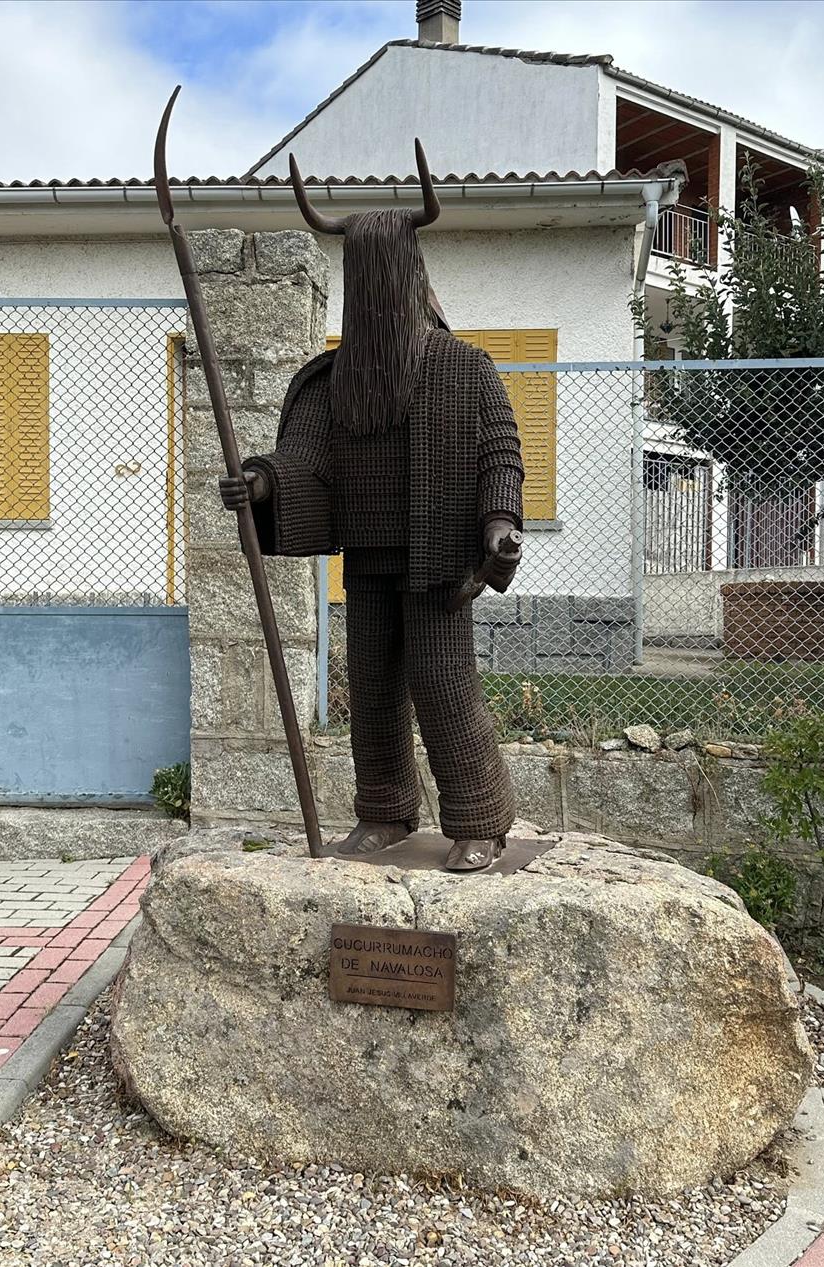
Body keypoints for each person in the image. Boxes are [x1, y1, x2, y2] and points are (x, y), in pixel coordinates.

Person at [220, 142, 524, 872]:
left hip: (440, 559)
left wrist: (499, 524)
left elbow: (499, 453)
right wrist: (262, 481)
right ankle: (385, 812)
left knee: (446, 688)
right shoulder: (335, 383)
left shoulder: (464, 367)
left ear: (407, 279)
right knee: (375, 692)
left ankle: (479, 818)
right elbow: (307, 460)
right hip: (370, 557)